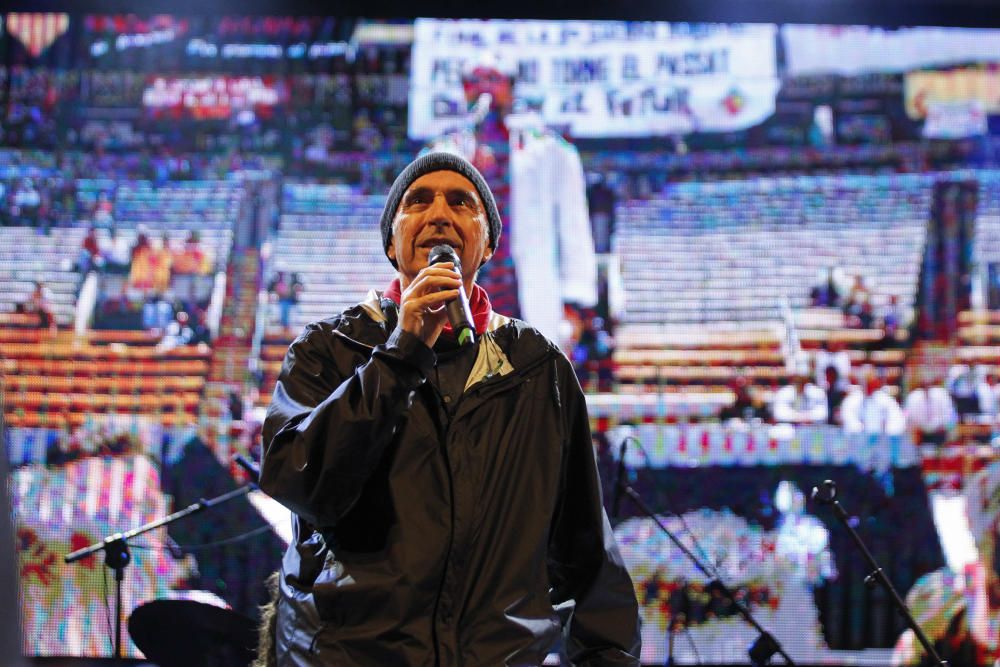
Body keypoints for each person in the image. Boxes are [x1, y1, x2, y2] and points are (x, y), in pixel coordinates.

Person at [259, 152, 640, 665]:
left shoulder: (538, 369)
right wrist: (402, 351)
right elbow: (299, 483)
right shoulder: (328, 348)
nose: (440, 213)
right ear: (392, 244)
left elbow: (586, 553)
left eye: (462, 202)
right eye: (418, 201)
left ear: (488, 245)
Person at [903, 375, 957, 448]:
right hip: (920, 434)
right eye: (924, 384)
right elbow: (907, 418)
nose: (926, 386)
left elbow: (950, 415)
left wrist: (945, 426)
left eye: (928, 383)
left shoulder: (942, 394)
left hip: (939, 433)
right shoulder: (913, 397)